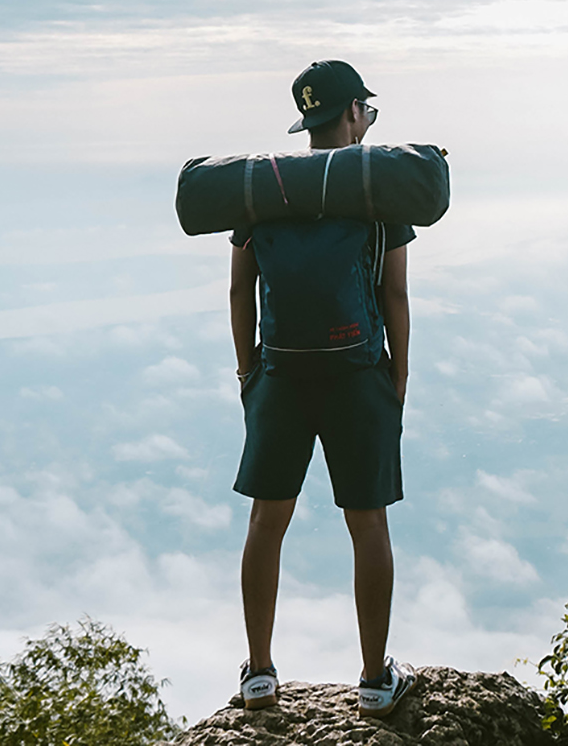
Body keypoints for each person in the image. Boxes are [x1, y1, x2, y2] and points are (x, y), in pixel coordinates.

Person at [229, 59, 417, 718]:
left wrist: (250, 371)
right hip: (356, 374)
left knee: (265, 520)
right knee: (368, 524)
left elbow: (239, 286)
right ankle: (374, 679)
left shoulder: (264, 188)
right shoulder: (376, 190)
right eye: (364, 109)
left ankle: (258, 672)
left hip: (280, 374)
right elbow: (393, 293)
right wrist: (394, 379)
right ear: (350, 114)